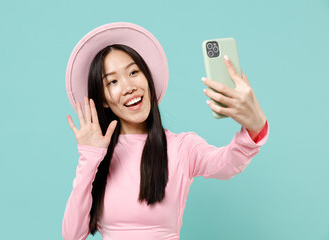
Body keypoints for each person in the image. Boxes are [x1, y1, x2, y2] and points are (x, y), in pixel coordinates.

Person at [62, 22, 269, 240]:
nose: (128, 87)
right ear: (103, 99)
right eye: (112, 81)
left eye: (133, 72)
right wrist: (89, 157)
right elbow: (72, 235)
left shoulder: (182, 147)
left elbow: (227, 163)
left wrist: (255, 125)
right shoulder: (98, 157)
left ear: (148, 79)